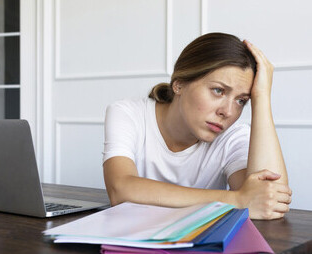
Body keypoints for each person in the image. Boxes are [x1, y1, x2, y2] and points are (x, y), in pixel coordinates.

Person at [102, 33, 292, 220]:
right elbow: (121, 189)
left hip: (202, 248)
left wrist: (262, 99)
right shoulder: (129, 114)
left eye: (241, 101)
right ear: (179, 84)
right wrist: (236, 199)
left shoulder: (232, 136)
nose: (228, 112)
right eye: (218, 90)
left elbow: (272, 200)